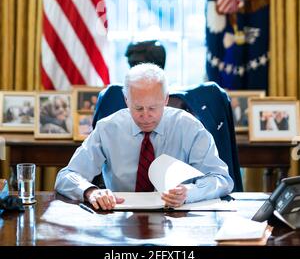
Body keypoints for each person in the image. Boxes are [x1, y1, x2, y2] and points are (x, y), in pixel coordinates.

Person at [55, 63, 233, 210]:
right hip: (120, 217)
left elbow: (221, 179)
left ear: (165, 99)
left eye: (153, 108)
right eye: (138, 108)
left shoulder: (190, 128)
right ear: (126, 100)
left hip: (177, 217)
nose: (146, 116)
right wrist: (90, 191)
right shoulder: (108, 128)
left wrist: (189, 192)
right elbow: (67, 176)